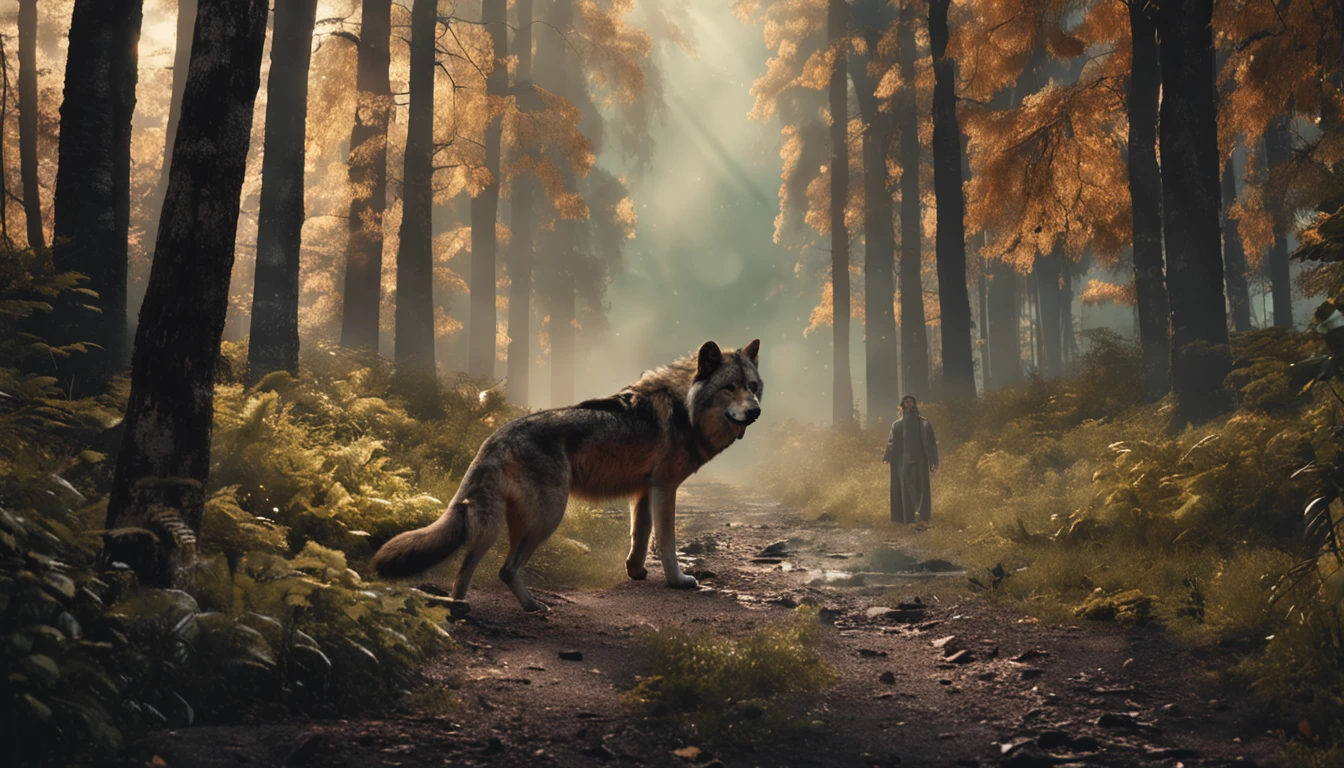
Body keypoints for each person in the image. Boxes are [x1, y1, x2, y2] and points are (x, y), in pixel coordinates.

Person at [882, 395, 939, 524]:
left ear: (915, 405)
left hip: (920, 460)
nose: (909, 405)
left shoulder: (924, 423)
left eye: (912, 402)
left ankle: (922, 517)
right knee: (905, 488)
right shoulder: (896, 425)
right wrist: (887, 457)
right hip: (903, 461)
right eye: (907, 402)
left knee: (921, 487)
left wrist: (933, 461)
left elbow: (931, 444)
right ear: (902, 406)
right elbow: (891, 443)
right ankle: (907, 518)